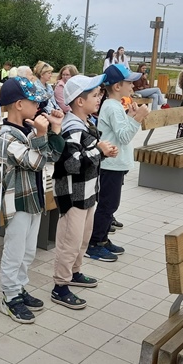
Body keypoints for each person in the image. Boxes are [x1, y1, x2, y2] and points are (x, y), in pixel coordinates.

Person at [0, 76, 64, 323]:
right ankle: (9, 296)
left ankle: (20, 287)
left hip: (35, 199)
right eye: (33, 101)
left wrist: (54, 129)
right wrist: (42, 134)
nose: (38, 106)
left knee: (28, 251)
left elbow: (53, 156)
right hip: (18, 202)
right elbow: (36, 161)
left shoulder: (30, 130)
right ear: (18, 104)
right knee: (14, 251)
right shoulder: (6, 135)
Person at [51, 74, 118, 309]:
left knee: (83, 238)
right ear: (80, 101)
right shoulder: (72, 128)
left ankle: (75, 272)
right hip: (73, 196)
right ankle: (60, 286)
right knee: (69, 242)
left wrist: (103, 152)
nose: (99, 99)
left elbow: (88, 156)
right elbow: (72, 164)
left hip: (87, 193)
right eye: (95, 95)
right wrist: (99, 151)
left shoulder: (87, 123)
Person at [85, 65, 149, 261]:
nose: (133, 85)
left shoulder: (114, 105)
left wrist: (130, 117)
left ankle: (103, 239)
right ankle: (94, 243)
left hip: (115, 164)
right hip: (110, 165)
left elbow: (119, 131)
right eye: (129, 82)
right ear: (117, 86)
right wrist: (138, 118)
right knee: (107, 205)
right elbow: (124, 136)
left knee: (110, 204)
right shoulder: (112, 106)